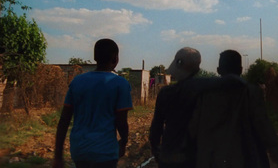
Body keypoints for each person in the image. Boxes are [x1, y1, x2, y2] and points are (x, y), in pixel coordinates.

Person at [192, 50, 278, 168]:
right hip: (250, 160)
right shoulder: (252, 92)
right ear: (240, 70)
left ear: (218, 70)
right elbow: (265, 127)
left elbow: (195, 130)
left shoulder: (205, 96)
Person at [53, 38, 133, 168]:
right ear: (115, 58)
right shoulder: (120, 84)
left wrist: (58, 157)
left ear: (95, 57)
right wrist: (123, 142)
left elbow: (64, 120)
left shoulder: (77, 82)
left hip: (79, 151)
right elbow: (121, 122)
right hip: (105, 152)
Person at [149, 47, 202, 168]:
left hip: (170, 156)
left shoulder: (166, 93)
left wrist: (156, 150)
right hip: (196, 156)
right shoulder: (205, 93)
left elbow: (156, 127)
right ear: (197, 69)